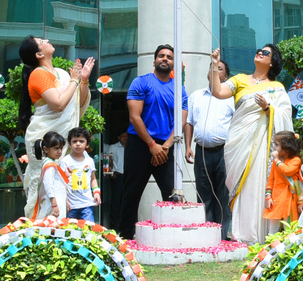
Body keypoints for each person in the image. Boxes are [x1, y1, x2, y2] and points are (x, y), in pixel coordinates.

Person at [210, 43, 293, 245]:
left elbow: (285, 114)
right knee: (242, 186)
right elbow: (217, 91)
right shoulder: (239, 80)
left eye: (265, 53)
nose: (259, 53)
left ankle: (263, 234)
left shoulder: (277, 88)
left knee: (260, 183)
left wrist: (268, 108)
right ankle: (241, 234)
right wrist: (214, 66)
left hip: (264, 145)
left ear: (272, 62)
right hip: (240, 143)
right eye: (259, 50)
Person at [17, 36, 94, 219]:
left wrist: (82, 80)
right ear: (38, 53)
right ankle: (40, 232)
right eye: (41, 40)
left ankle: (57, 234)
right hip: (45, 139)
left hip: (62, 140)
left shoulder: (62, 73)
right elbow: (58, 104)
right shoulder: (38, 73)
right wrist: (75, 81)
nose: (47, 39)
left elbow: (78, 103)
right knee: (46, 187)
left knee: (62, 191)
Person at [118, 45, 189, 240]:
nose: (165, 59)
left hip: (166, 147)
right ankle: (124, 236)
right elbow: (135, 117)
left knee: (172, 193)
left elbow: (181, 121)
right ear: (154, 60)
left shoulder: (179, 88)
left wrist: (165, 146)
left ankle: (175, 236)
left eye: (169, 57)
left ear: (174, 63)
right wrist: (151, 145)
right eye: (161, 56)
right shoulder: (140, 82)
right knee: (131, 192)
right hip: (140, 144)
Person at [184, 58, 235, 240]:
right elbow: (189, 122)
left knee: (223, 194)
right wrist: (188, 146)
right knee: (204, 193)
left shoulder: (230, 98)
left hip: (224, 152)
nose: (214, 70)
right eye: (212, 67)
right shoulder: (196, 96)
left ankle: (223, 235)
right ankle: (207, 235)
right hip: (202, 151)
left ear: (226, 76)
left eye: (219, 68)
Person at [263, 131, 303, 228]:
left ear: (287, 147)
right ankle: (271, 243)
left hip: (289, 199)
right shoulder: (276, 162)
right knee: (273, 228)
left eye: (276, 145)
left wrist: (276, 160)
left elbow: (287, 171)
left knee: (289, 228)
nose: (274, 148)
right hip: (276, 198)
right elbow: (271, 179)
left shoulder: (296, 160)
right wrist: (268, 196)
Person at [61, 126, 101, 223]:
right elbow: (62, 182)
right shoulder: (65, 161)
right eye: (74, 141)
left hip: (87, 203)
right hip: (71, 205)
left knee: (89, 229)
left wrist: (96, 193)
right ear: (70, 144)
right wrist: (65, 201)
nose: (78, 144)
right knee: (70, 230)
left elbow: (93, 179)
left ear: (87, 144)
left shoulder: (90, 161)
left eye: (81, 141)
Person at [31, 130, 67, 220]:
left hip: (55, 204)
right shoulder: (49, 166)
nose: (59, 151)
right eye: (56, 148)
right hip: (53, 205)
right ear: (46, 149)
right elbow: (49, 186)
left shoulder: (52, 163)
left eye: (61, 148)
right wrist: (54, 204)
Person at [106, 130, 128, 230]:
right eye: (123, 136)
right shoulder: (113, 147)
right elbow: (108, 160)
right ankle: (114, 226)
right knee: (116, 202)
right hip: (117, 176)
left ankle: (126, 226)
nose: (125, 138)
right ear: (119, 137)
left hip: (129, 176)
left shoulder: (131, 147)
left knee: (127, 201)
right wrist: (110, 172)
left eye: (127, 136)